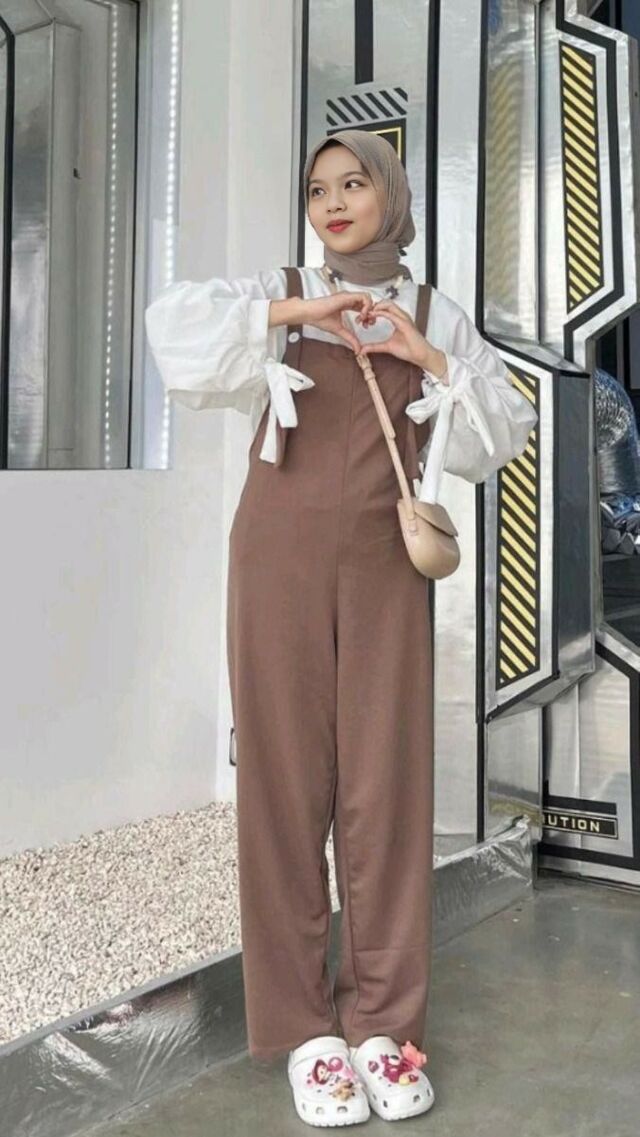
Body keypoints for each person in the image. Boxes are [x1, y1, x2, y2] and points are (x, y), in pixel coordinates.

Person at [145, 128, 538, 1128]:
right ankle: (305, 1033)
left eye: (353, 183)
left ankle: (381, 1026)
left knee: (385, 786)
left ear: (389, 196)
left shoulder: (432, 312)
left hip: (384, 568)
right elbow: (173, 332)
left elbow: (502, 428)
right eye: (318, 187)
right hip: (273, 556)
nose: (332, 201)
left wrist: (423, 354)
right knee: (282, 784)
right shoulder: (276, 294)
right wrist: (296, 312)